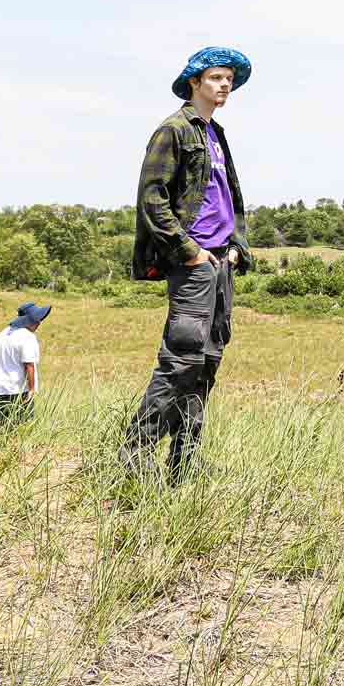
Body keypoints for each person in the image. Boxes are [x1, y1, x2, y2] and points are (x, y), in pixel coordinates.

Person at [123, 46, 253, 481]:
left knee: (207, 361)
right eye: (217, 78)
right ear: (195, 81)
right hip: (194, 264)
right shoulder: (174, 130)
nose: (225, 85)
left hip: (221, 264)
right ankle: (134, 454)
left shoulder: (215, 134)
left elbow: (229, 200)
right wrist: (190, 253)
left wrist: (236, 248)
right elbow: (152, 198)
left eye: (229, 79)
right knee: (181, 360)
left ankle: (185, 460)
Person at [0, 300, 48, 425]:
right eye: (36, 319)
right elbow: (29, 365)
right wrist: (32, 390)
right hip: (20, 392)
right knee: (23, 429)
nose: (39, 323)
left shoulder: (1, 335)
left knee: (1, 430)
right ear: (28, 320)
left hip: (0, 391)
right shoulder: (27, 337)